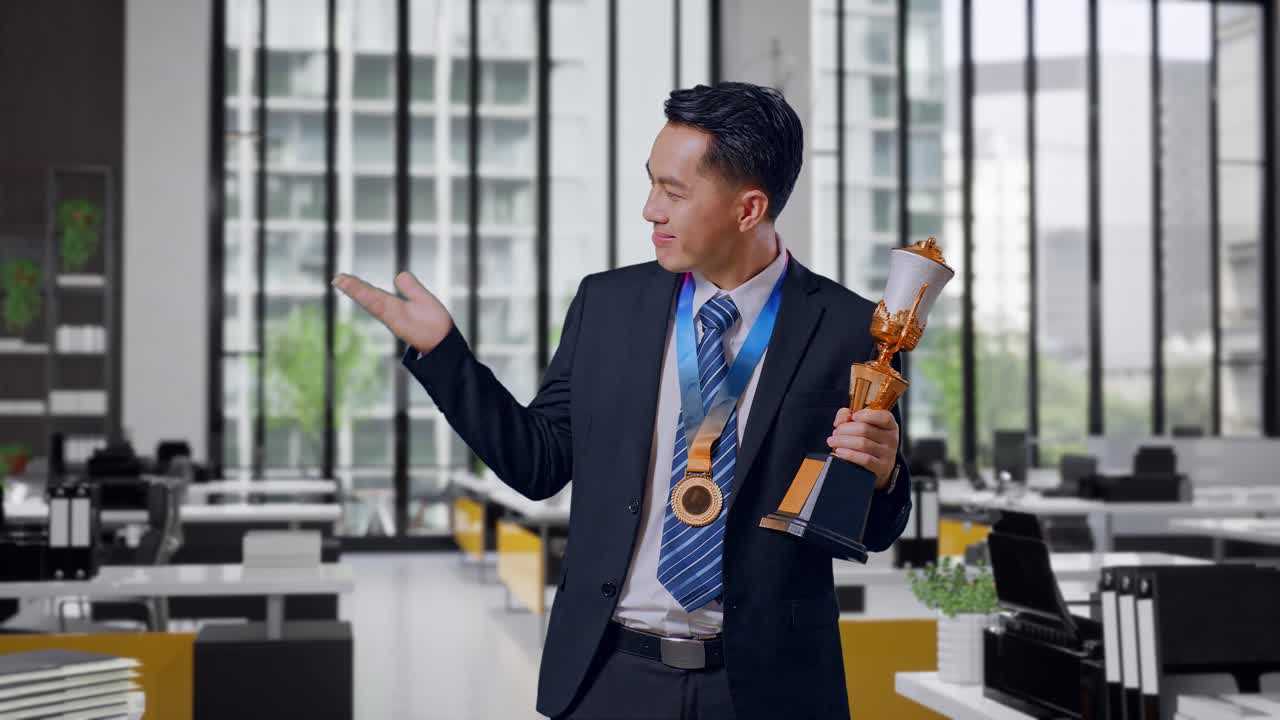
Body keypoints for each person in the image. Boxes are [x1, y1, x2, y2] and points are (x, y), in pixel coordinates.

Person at [334, 81, 912, 720]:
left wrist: (883, 477)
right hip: (610, 675)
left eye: (673, 191)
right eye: (651, 183)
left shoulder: (851, 328)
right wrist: (445, 356)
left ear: (749, 209)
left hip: (769, 687)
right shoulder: (607, 306)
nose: (650, 210)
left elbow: (872, 528)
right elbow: (539, 464)